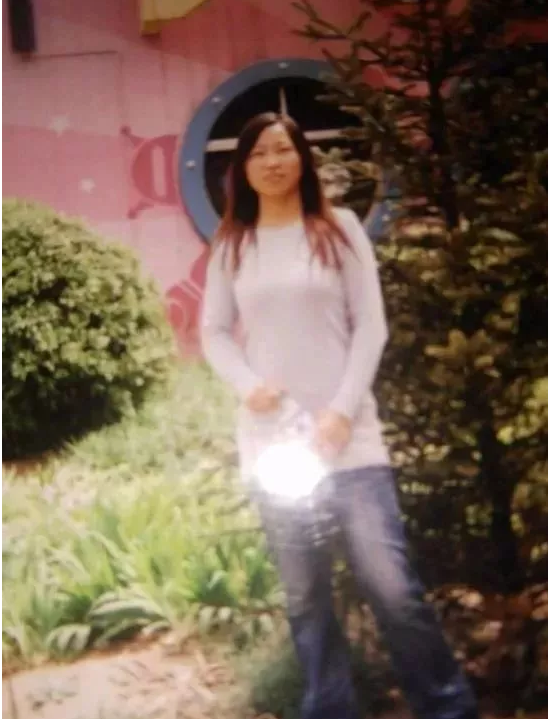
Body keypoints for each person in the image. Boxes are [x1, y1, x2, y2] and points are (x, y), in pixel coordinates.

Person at [200, 112, 479, 719]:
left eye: (283, 149)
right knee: (305, 596)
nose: (273, 162)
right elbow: (214, 332)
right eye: (258, 153)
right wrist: (248, 386)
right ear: (242, 168)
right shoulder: (234, 243)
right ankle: (329, 709)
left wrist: (343, 412)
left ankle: (447, 708)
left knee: (392, 587)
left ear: (302, 157)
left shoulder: (338, 228)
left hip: (349, 439)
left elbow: (370, 326)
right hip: (276, 445)